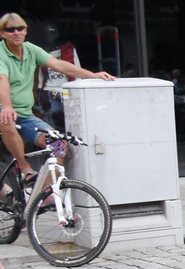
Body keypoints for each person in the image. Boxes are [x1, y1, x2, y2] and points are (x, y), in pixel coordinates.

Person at [2, 13, 114, 180]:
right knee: (6, 120)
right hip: (5, 111)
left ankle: (45, 195)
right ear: (2, 33)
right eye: (10, 30)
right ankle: (26, 169)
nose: (16, 32)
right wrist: (7, 107)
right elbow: (1, 79)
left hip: (24, 115)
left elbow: (60, 65)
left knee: (60, 145)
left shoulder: (31, 49)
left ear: (26, 31)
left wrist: (92, 75)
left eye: (20, 28)